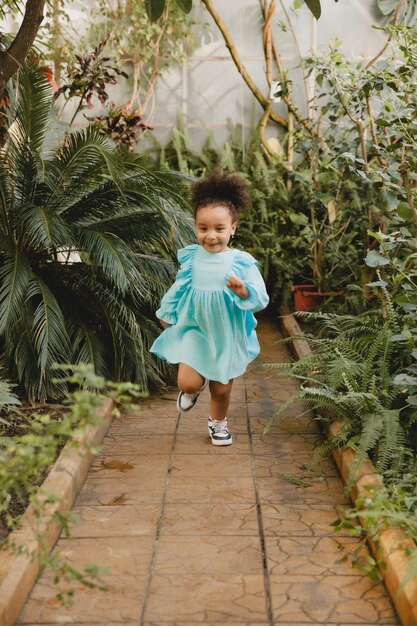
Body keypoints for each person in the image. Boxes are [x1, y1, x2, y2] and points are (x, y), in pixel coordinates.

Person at [150, 169, 269, 446]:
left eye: (219, 229)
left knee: (222, 388)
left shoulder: (241, 262)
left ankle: (218, 423)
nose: (211, 236)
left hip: (226, 332)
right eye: (203, 228)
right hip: (195, 327)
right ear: (195, 226)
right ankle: (193, 389)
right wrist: (167, 313)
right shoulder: (193, 258)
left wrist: (243, 291)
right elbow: (180, 287)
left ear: (233, 228)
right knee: (187, 382)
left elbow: (260, 299)